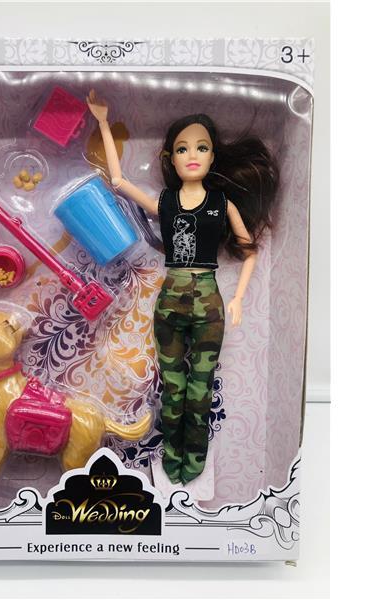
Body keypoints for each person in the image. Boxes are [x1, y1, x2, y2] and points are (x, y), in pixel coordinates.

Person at [85, 90, 278, 484]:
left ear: (212, 156)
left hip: (209, 301)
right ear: (170, 158)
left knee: (200, 387)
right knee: (173, 387)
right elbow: (118, 181)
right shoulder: (166, 203)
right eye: (182, 148)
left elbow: (250, 252)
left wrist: (239, 298)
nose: (192, 155)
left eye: (202, 147)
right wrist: (103, 122)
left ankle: (195, 461)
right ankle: (171, 457)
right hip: (171, 300)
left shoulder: (222, 204)